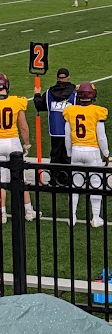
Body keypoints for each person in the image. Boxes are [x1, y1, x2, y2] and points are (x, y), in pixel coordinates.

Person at [63, 82, 109, 227]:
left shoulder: (70, 111)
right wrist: (106, 153)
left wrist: (70, 152)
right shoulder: (97, 111)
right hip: (92, 151)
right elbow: (101, 136)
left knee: (75, 184)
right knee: (95, 184)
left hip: (76, 150)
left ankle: (72, 216)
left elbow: (67, 136)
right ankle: (95, 218)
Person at [0, 72, 38, 225]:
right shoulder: (16, 101)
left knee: (1, 179)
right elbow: (23, 126)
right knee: (21, 176)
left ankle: (2, 213)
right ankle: (28, 210)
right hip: (13, 141)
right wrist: (27, 143)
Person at [33, 68, 77, 184]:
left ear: (57, 78)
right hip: (69, 130)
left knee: (55, 156)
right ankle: (68, 180)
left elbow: (40, 106)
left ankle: (55, 179)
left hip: (55, 130)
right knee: (68, 156)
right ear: (68, 77)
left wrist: (37, 94)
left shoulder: (49, 93)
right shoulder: (74, 93)